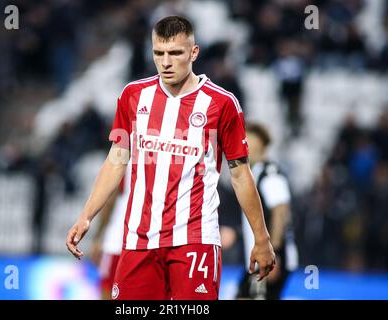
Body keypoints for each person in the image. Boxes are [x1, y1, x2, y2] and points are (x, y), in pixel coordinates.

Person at [66, 15, 275, 300]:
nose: (166, 62)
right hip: (139, 240)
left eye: (175, 53)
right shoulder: (133, 95)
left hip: (195, 240)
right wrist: (86, 216)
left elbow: (240, 175)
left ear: (193, 52)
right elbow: (116, 161)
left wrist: (261, 238)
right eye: (159, 53)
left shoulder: (222, 103)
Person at [236, 123, 298, 300]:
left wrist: (275, 254)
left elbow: (280, 211)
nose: (244, 143)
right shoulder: (253, 173)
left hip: (270, 259)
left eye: (249, 139)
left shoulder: (270, 172)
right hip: (259, 260)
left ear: (262, 144)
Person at [89, 162, 131, 299]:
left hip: (117, 241)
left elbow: (109, 200)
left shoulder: (126, 158)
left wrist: (99, 237)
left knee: (108, 294)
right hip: (147, 242)